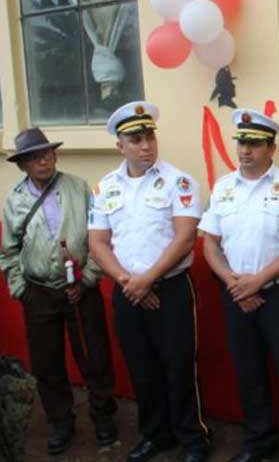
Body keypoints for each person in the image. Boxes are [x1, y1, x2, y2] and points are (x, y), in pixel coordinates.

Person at [88, 102, 211, 462]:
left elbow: (185, 238)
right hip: (127, 290)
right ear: (120, 146)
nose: (146, 145)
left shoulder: (179, 181)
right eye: (136, 139)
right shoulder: (106, 187)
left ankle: (193, 437)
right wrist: (130, 282)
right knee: (141, 367)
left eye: (150, 137)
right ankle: (156, 435)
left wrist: (147, 282)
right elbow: (97, 242)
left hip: (170, 289)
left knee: (179, 365)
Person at [200, 109, 279, 462]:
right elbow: (209, 243)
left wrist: (257, 282)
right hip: (235, 294)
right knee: (248, 372)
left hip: (278, 294)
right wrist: (235, 284)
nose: (245, 150)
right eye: (241, 142)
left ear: (271, 147)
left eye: (253, 143)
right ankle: (258, 442)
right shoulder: (223, 187)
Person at [0, 128, 117, 455]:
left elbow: (99, 237)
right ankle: (60, 421)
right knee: (47, 362)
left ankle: (103, 416)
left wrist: (89, 279)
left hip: (81, 288)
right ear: (23, 164)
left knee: (95, 356)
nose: (44, 160)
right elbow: (8, 252)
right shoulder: (15, 200)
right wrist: (21, 290)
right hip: (38, 293)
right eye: (35, 157)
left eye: (48, 153)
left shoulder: (77, 188)